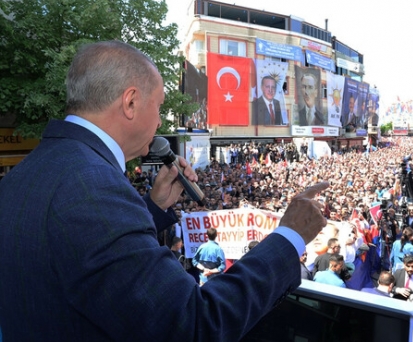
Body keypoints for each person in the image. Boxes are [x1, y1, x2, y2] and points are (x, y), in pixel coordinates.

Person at [0, 40, 329, 341]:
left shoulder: (22, 175)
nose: (159, 122)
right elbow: (193, 324)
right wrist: (289, 237)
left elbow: (80, 255)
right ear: (130, 102)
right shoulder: (94, 185)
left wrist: (152, 208)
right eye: (158, 106)